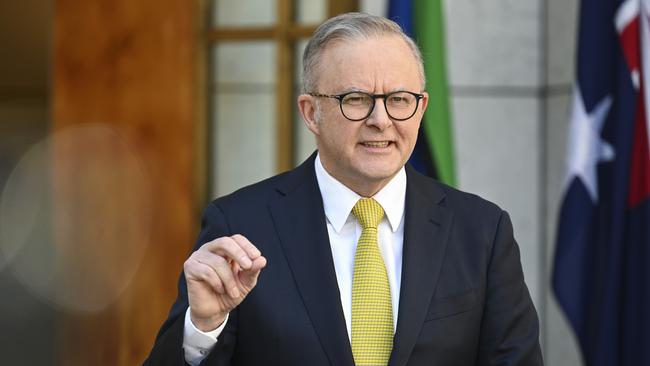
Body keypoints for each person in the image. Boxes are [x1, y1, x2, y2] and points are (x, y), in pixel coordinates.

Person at [144, 12, 543, 366]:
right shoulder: (241, 225)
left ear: (421, 109)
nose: (380, 120)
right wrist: (203, 328)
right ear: (311, 112)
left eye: (399, 100)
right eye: (356, 99)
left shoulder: (481, 231)